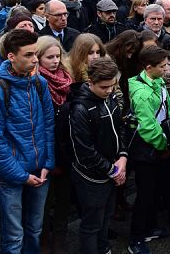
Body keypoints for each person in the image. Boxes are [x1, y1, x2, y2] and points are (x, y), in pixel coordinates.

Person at [0, 29, 55, 254]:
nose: (35, 60)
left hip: (40, 171)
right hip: (11, 176)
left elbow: (48, 126)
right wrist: (20, 175)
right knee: (13, 238)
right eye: (28, 55)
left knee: (34, 229)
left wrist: (47, 163)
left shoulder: (39, 83)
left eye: (36, 54)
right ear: (11, 56)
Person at [68, 57, 126, 254]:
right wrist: (112, 169)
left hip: (111, 170)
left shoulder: (109, 97)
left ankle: (104, 248)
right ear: (90, 82)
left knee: (106, 216)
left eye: (112, 86)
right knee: (92, 223)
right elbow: (84, 151)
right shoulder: (80, 108)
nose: (109, 91)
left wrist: (123, 157)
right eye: (104, 87)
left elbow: (120, 129)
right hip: (91, 177)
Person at [126, 46, 170, 253]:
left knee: (155, 191)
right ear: (149, 67)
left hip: (160, 144)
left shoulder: (158, 80)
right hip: (146, 150)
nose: (166, 69)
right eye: (163, 66)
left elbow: (167, 109)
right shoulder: (141, 94)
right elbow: (148, 128)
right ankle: (136, 238)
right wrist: (165, 145)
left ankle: (149, 228)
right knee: (145, 194)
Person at [35, 36, 73, 253]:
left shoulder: (65, 78)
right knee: (44, 202)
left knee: (64, 200)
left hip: (66, 149)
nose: (55, 61)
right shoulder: (37, 83)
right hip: (45, 150)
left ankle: (60, 238)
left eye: (57, 56)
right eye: (49, 57)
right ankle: (44, 239)